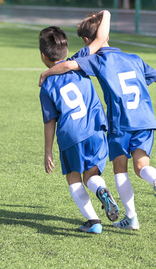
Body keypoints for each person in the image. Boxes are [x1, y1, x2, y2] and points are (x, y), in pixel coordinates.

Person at [39, 12, 156, 231]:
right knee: (142, 166)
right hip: (140, 120)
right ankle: (155, 180)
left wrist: (45, 75)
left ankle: (123, 219)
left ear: (86, 41)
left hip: (117, 123)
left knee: (117, 171)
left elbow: (66, 67)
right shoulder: (134, 58)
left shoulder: (93, 60)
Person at [39, 19, 120, 234]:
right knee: (91, 176)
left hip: (71, 135)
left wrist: (48, 151)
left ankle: (93, 221)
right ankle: (101, 190)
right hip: (95, 128)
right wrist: (105, 14)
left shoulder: (47, 85)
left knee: (73, 177)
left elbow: (50, 121)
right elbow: (101, 38)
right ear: (65, 50)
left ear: (43, 56)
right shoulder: (79, 60)